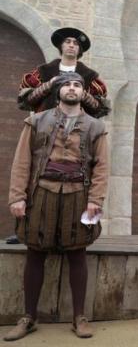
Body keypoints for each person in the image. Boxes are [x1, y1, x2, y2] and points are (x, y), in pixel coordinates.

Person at [4, 73, 109, 341]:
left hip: (78, 195)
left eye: (77, 85)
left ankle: (79, 317)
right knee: (35, 253)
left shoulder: (96, 126)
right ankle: (28, 317)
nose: (72, 88)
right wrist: (17, 196)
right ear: (58, 91)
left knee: (78, 253)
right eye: (67, 85)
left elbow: (102, 168)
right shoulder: (36, 120)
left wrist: (96, 200)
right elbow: (22, 160)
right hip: (41, 193)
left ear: (83, 93)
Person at [6, 27, 109, 246]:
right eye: (68, 42)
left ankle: (74, 234)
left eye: (76, 43)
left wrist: (79, 93)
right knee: (33, 176)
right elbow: (24, 101)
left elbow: (101, 108)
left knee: (76, 182)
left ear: (79, 50)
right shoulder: (43, 71)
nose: (71, 45)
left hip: (77, 137)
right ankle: (28, 227)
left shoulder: (90, 76)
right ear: (61, 46)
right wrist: (50, 85)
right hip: (42, 132)